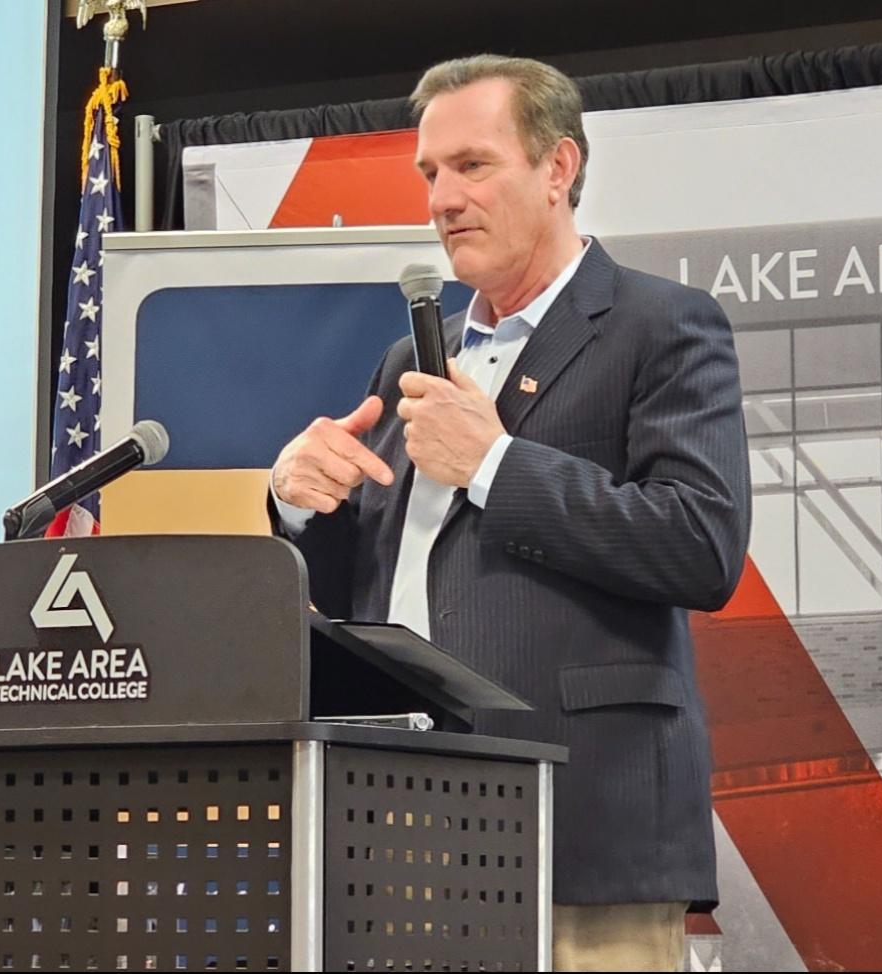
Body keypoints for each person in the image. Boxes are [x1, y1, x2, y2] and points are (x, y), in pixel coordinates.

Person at [267, 54, 752, 971]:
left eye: (472, 166)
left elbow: (700, 543)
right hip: (396, 830)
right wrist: (302, 506)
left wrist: (492, 463)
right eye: (430, 173)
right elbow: (369, 585)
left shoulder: (660, 326)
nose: (442, 199)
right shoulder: (409, 358)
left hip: (582, 834)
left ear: (558, 167)